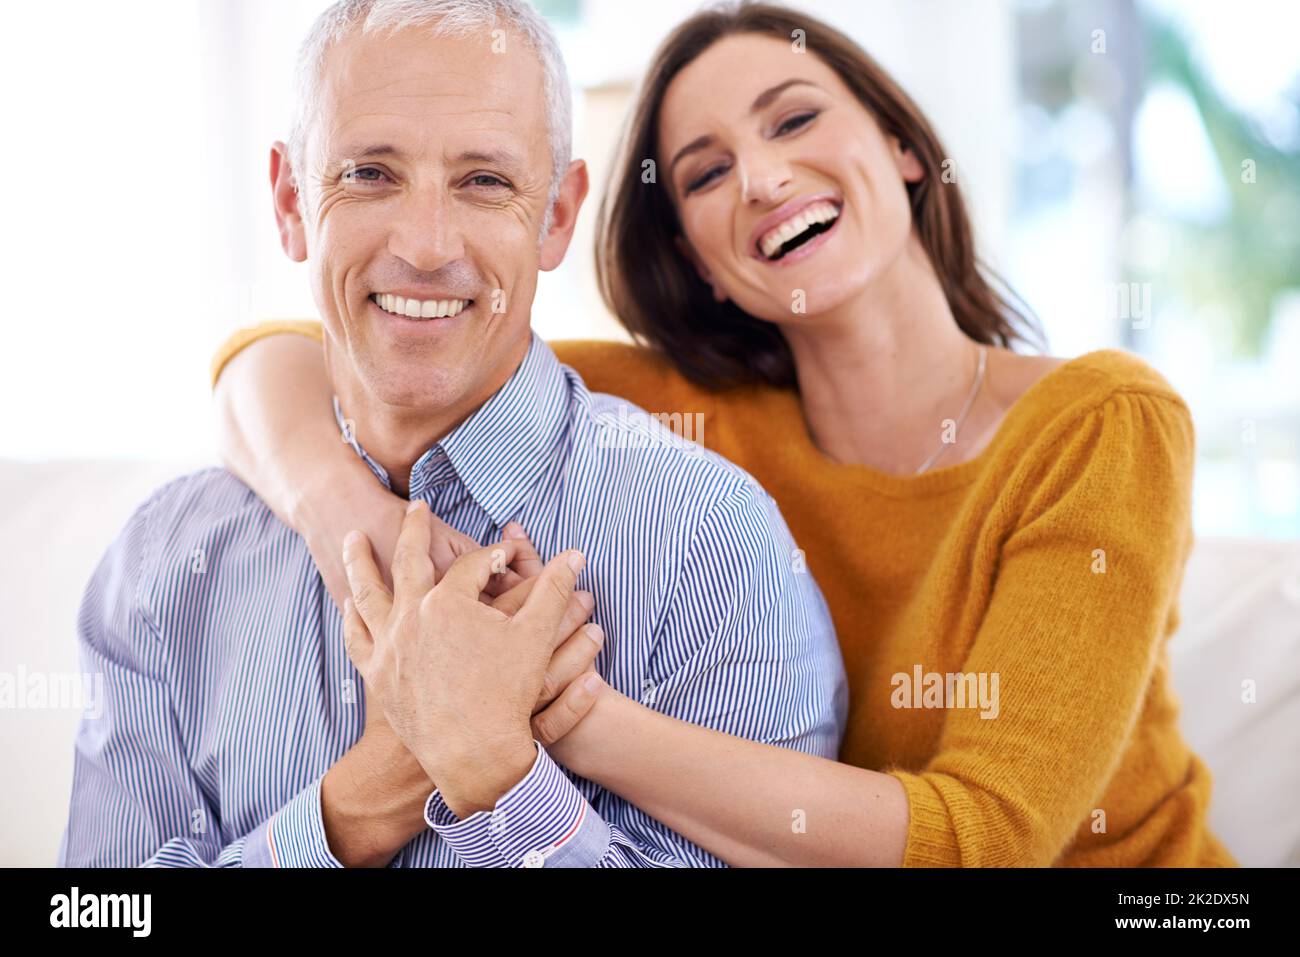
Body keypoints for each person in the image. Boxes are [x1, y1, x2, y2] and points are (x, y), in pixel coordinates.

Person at [212, 1, 1236, 866]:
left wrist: (562, 713)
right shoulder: (686, 414)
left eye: (792, 120)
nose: (759, 177)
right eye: (702, 175)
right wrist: (350, 528)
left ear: (904, 148)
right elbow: (293, 351)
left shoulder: (1101, 423)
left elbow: (987, 837)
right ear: (696, 260)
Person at [57, 0, 846, 869]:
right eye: (368, 174)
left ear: (554, 217)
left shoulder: (711, 543)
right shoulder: (162, 566)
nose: (427, 246)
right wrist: (354, 808)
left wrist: (499, 780)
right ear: (289, 201)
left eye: (483, 181)